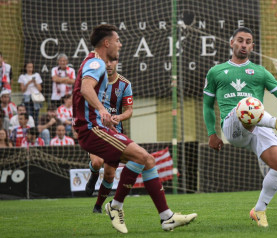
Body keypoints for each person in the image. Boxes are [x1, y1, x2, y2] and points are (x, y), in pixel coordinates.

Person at [73, 24, 196, 233]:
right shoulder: (96, 63)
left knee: (147, 160)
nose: (120, 45)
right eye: (118, 40)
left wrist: (108, 117)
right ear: (107, 43)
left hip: (99, 127)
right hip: (92, 129)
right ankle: (115, 206)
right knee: (141, 157)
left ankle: (166, 217)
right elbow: (85, 89)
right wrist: (102, 110)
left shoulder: (98, 65)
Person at [203, 27, 277, 228]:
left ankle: (259, 210)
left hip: (257, 125)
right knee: (248, 102)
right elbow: (207, 105)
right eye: (240, 40)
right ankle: (274, 122)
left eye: (247, 41)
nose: (243, 44)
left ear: (252, 46)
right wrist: (212, 133)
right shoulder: (216, 72)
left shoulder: (260, 72)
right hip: (233, 126)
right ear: (231, 43)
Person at [84, 58, 134, 213]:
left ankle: (98, 206)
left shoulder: (125, 84)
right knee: (98, 162)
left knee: (110, 174)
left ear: (117, 62)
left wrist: (119, 117)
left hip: (115, 133)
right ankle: (93, 174)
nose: (109, 64)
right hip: (95, 129)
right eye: (106, 61)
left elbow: (129, 110)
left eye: (112, 61)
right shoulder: (93, 83)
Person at [18, 61, 43, 125]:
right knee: (29, 115)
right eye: (28, 67)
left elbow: (40, 89)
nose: (30, 69)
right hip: (27, 98)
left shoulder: (37, 75)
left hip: (36, 98)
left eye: (31, 67)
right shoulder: (22, 76)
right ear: (25, 68)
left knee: (36, 115)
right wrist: (28, 83)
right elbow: (23, 90)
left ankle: (36, 130)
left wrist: (34, 82)